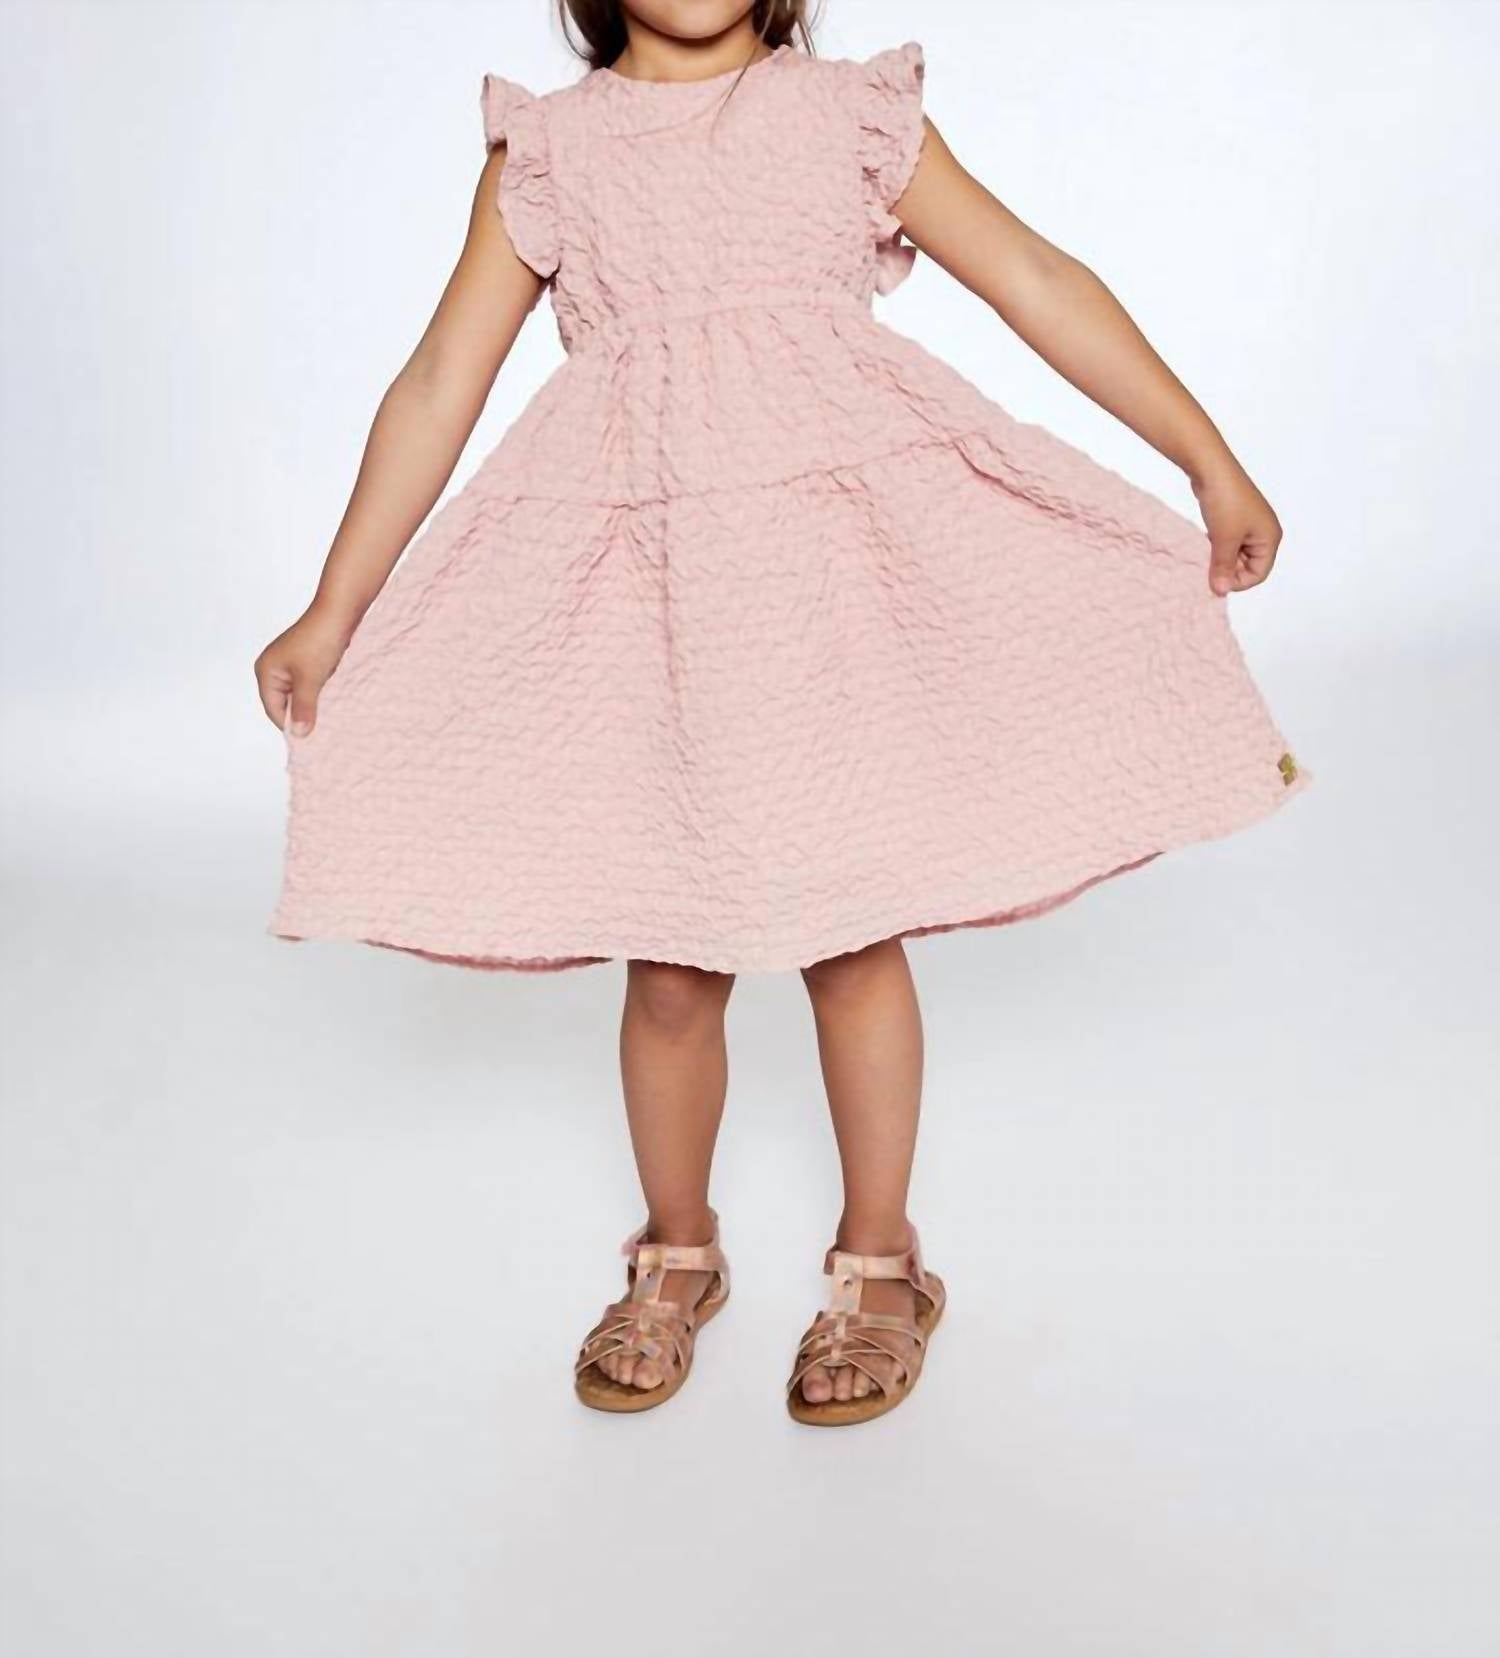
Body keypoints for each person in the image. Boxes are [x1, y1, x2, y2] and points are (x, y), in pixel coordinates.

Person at [254, 0, 1310, 1427]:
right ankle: (676, 1249)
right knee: (670, 958)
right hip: (654, 599)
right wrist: (335, 608)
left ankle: (882, 1263)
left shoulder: (841, 115)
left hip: (827, 594)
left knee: (852, 933)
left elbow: (1034, 277)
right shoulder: (553, 151)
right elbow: (443, 378)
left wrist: (1207, 459)